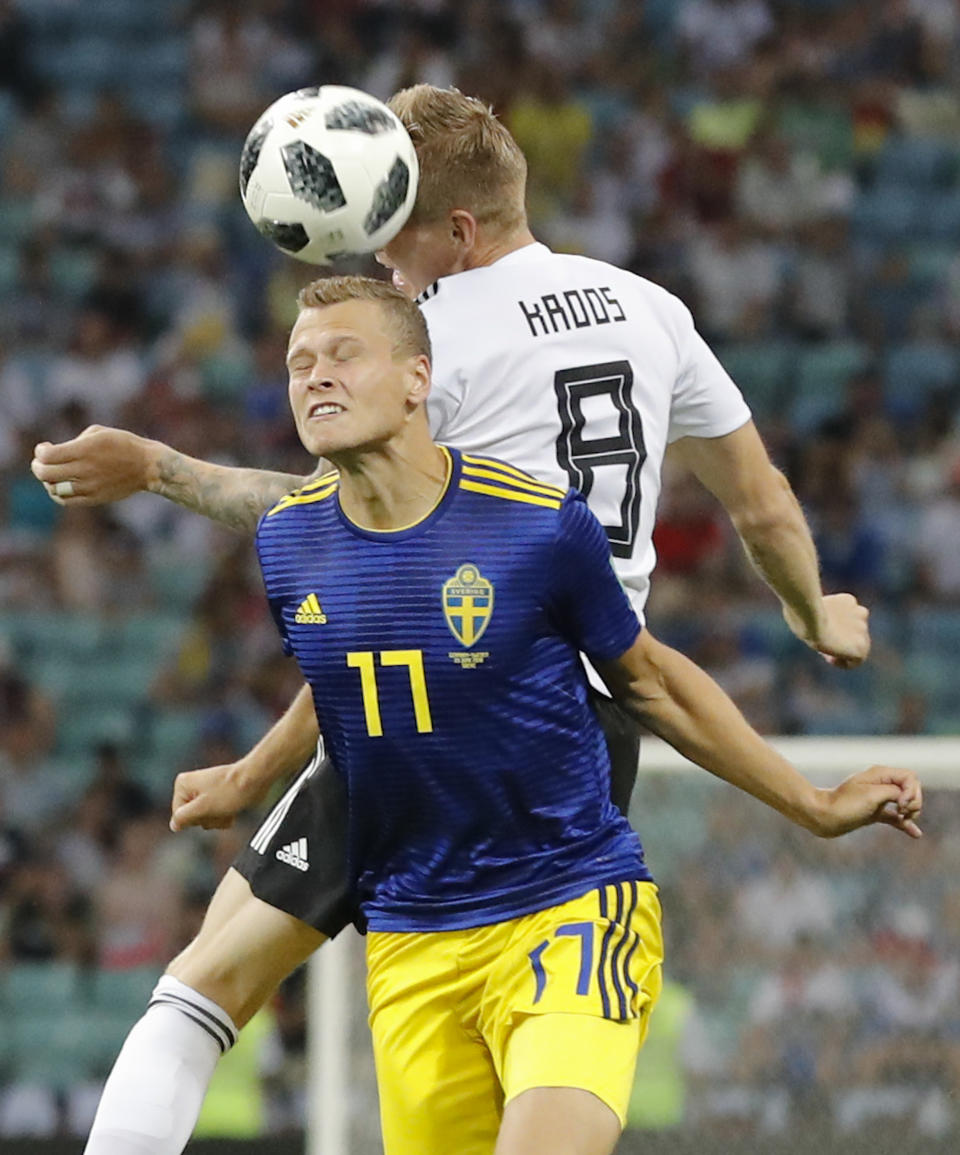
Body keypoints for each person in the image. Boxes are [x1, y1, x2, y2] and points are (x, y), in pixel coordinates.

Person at [81, 275, 921, 1155]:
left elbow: (652, 684)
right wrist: (252, 776)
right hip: (409, 939)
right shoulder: (291, 544)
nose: (315, 377)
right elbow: (348, 700)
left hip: (566, 908)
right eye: (299, 363)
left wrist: (814, 804)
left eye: (343, 355)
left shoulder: (535, 527)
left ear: (417, 379)